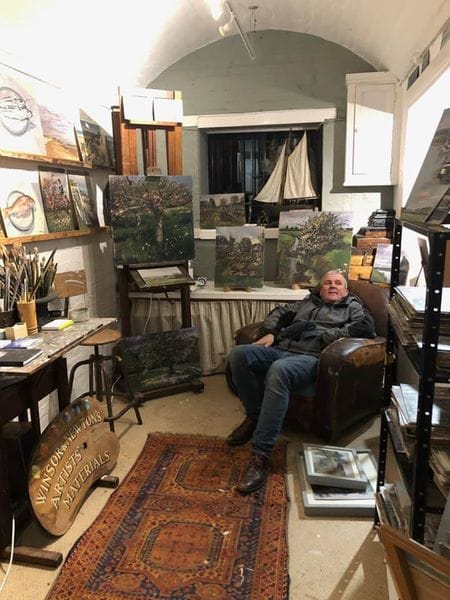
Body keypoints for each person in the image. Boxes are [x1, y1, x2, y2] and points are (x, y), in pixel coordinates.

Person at [226, 270, 376, 494]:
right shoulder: (307, 302)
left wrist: (328, 335)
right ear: (320, 288)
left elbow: (365, 327)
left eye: (338, 283)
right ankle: (255, 415)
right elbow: (278, 312)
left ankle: (261, 455)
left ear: (345, 290)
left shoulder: (352, 305)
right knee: (239, 354)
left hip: (310, 357)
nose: (332, 286)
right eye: (327, 282)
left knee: (279, 370)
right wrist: (272, 332)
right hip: (281, 348)